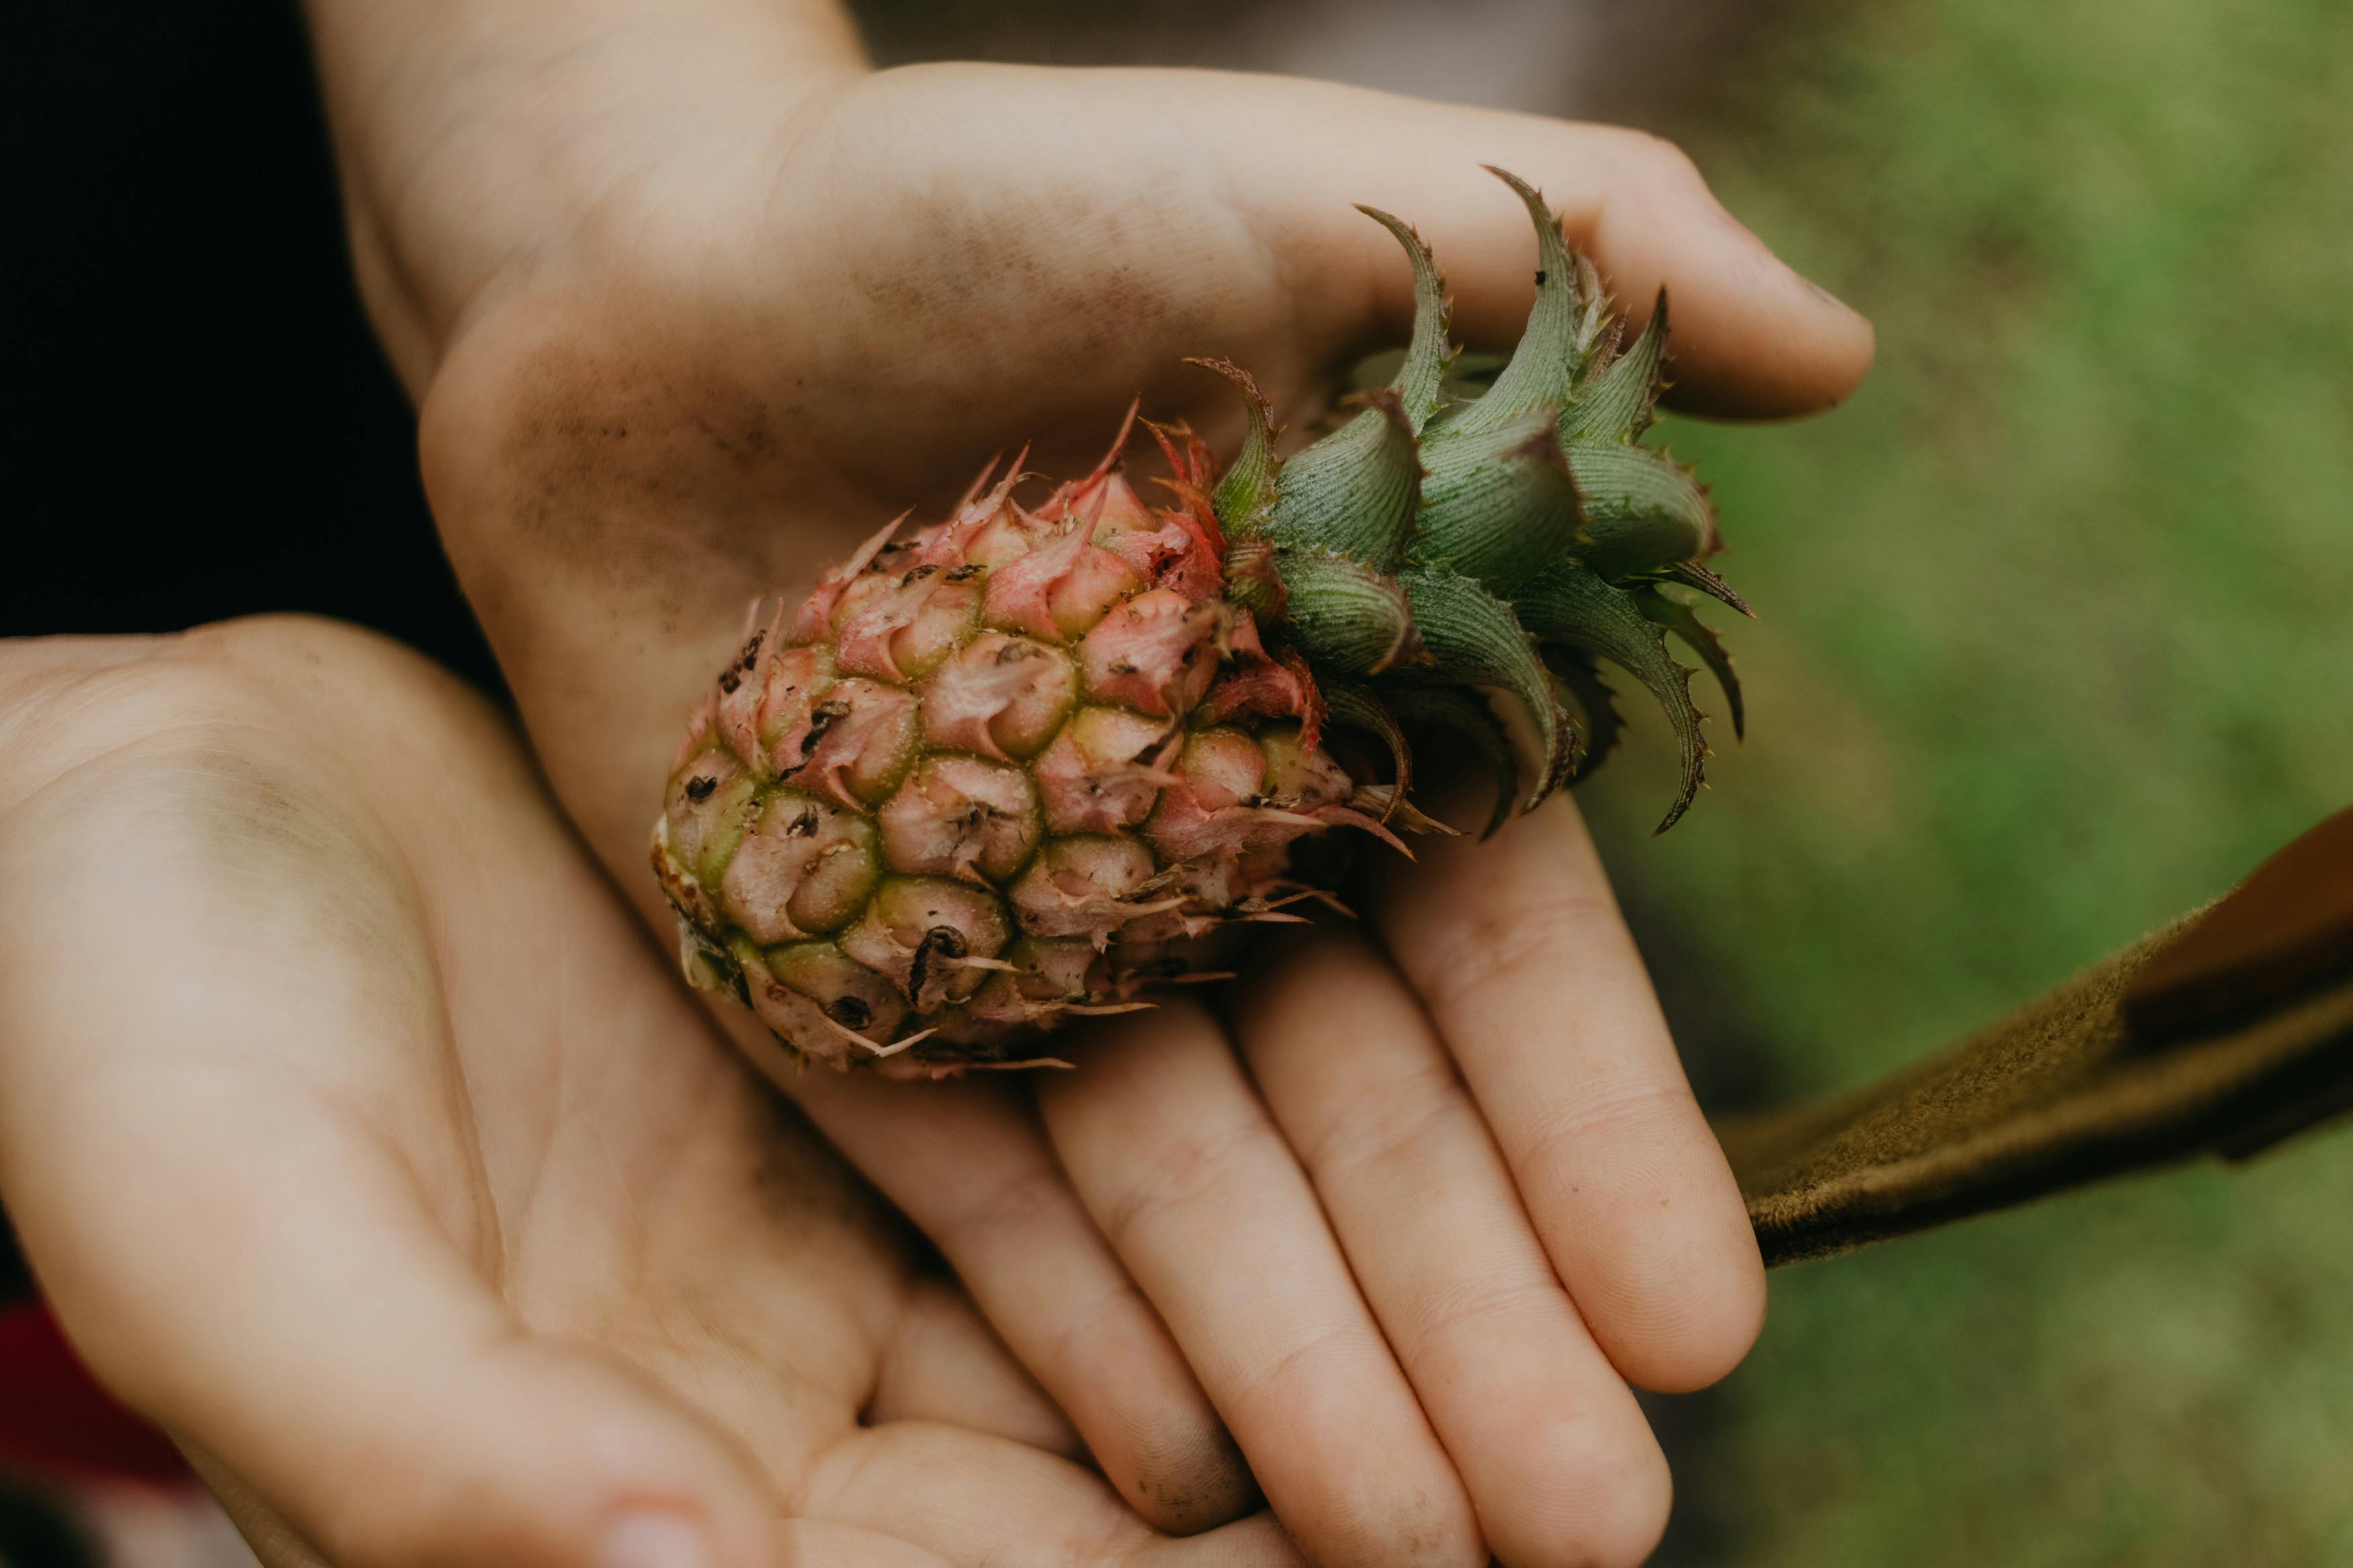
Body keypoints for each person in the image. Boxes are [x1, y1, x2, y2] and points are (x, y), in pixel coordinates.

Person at [0, 0, 1874, 1562]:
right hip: (319, 924)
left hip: (425, 408)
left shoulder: (1208, 714)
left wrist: (588, 165)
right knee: (230, 1304)